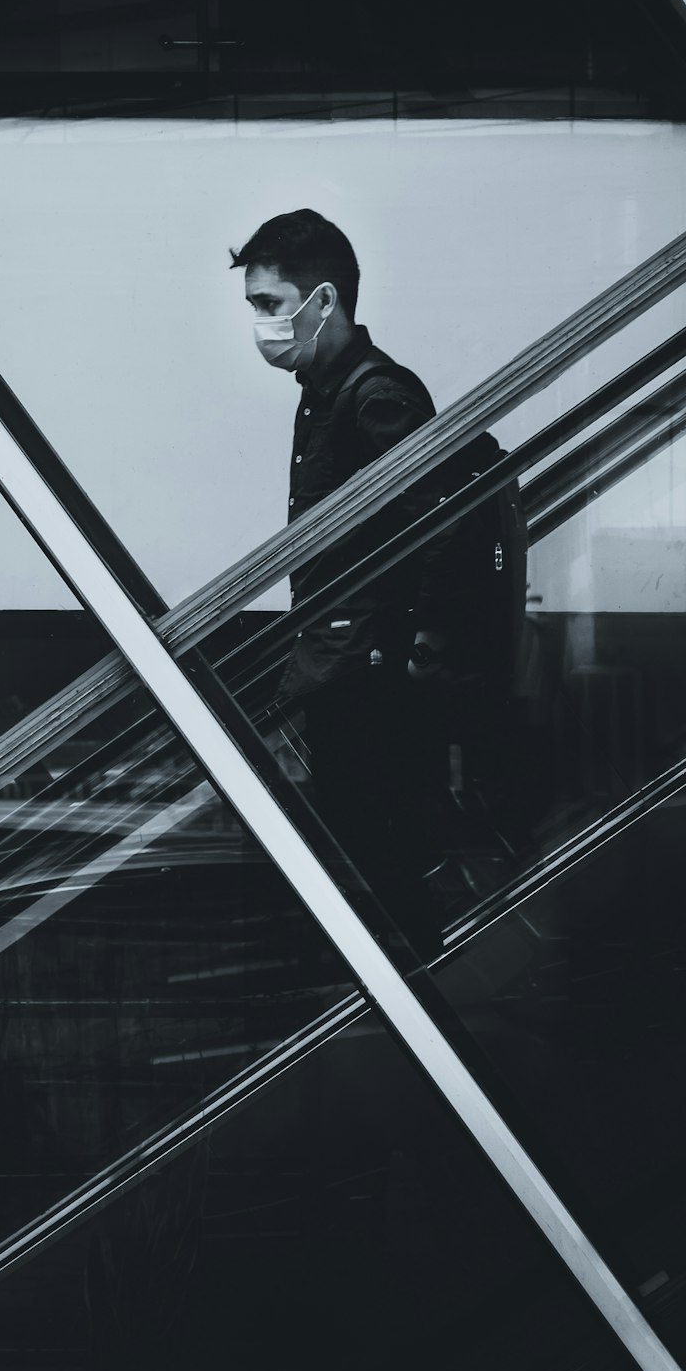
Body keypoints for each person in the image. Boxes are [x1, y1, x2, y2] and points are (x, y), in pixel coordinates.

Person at [230, 208, 453, 959]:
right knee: (355, 844)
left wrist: (419, 639)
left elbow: (437, 524)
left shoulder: (374, 395)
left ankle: (422, 990)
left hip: (367, 671)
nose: (259, 323)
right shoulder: (326, 390)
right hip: (342, 661)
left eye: (269, 303)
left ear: (322, 301)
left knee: (369, 848)